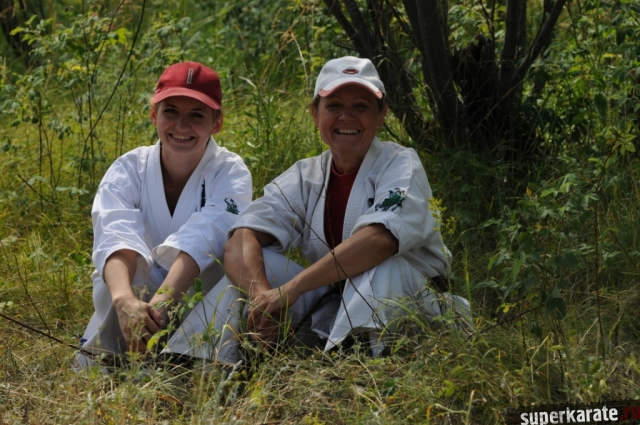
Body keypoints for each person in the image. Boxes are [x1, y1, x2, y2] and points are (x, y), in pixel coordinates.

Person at [163, 56, 471, 362]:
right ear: (315, 114)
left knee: (384, 267)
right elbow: (242, 238)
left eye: (361, 106)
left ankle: (365, 370)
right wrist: (262, 298)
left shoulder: (400, 164)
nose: (346, 117)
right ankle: (190, 362)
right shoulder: (307, 175)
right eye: (334, 105)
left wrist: (293, 288)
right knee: (257, 264)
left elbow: (380, 241)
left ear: (381, 116)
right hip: (337, 304)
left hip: (416, 309)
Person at [76, 61, 252, 367]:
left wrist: (161, 303)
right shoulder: (128, 168)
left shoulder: (230, 173)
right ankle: (117, 355)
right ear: (153, 115)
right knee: (111, 277)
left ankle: (192, 359)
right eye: (171, 112)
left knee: (232, 275)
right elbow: (115, 234)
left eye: (196, 115)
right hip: (135, 300)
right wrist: (124, 300)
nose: (181, 126)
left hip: (197, 298)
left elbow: (205, 236)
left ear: (216, 123)